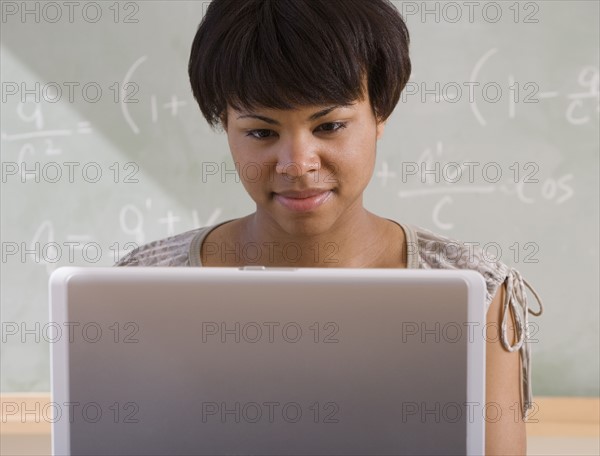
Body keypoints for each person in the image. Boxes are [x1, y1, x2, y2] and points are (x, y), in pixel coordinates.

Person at [115, 0, 544, 453]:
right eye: (261, 132)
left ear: (380, 115)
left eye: (330, 126)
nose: (297, 164)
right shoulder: (145, 282)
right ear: (225, 125)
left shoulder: (473, 288)